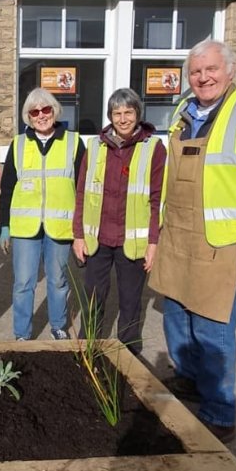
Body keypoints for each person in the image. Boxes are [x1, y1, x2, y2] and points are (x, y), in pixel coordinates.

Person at [149, 39, 236, 443]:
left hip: (221, 238)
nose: (203, 77)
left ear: (229, 71)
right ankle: (190, 379)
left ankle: (219, 412)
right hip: (178, 232)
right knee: (177, 313)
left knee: (213, 325)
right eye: (196, 72)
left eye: (211, 69)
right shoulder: (184, 111)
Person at [72, 88, 166, 356]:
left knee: (130, 301)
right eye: (117, 113)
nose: (123, 119)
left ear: (138, 114)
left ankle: (129, 353)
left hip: (131, 241)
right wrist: (78, 235)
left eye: (128, 112)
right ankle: (87, 349)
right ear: (110, 116)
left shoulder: (153, 148)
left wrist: (153, 243)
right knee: (93, 298)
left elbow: (157, 199)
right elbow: (81, 193)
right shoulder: (95, 146)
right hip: (97, 238)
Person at [0, 87, 84, 341]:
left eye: (46, 109)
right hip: (25, 227)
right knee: (24, 283)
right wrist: (4, 225)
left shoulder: (72, 142)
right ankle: (22, 333)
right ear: (28, 116)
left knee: (57, 280)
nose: (41, 115)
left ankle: (58, 326)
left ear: (54, 111)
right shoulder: (19, 144)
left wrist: (81, 228)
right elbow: (8, 188)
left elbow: (83, 187)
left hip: (60, 226)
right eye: (34, 112)